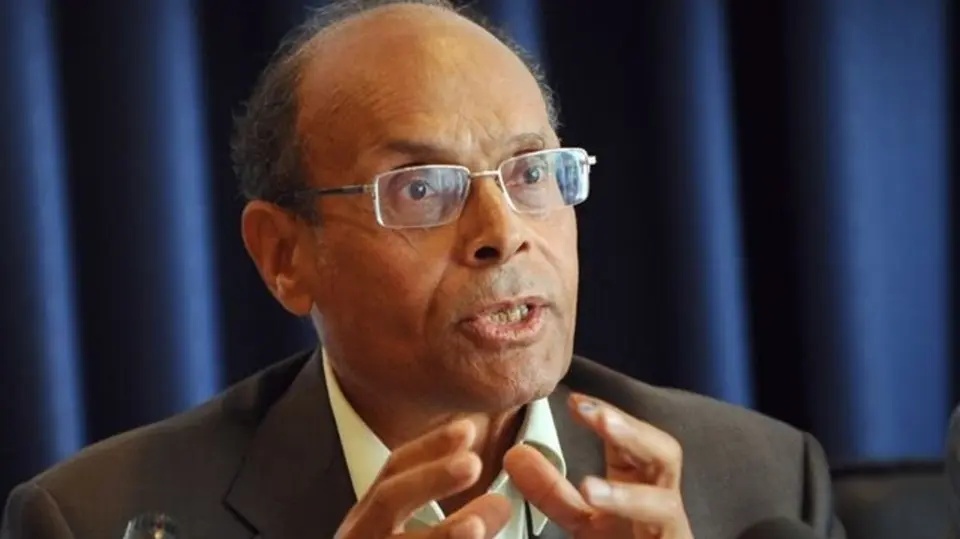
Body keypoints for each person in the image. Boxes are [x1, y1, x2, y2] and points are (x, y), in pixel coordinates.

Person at [0, 1, 845, 538]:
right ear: (285, 256)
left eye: (532, 172)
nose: (502, 234)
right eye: (421, 189)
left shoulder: (762, 482)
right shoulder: (96, 516)